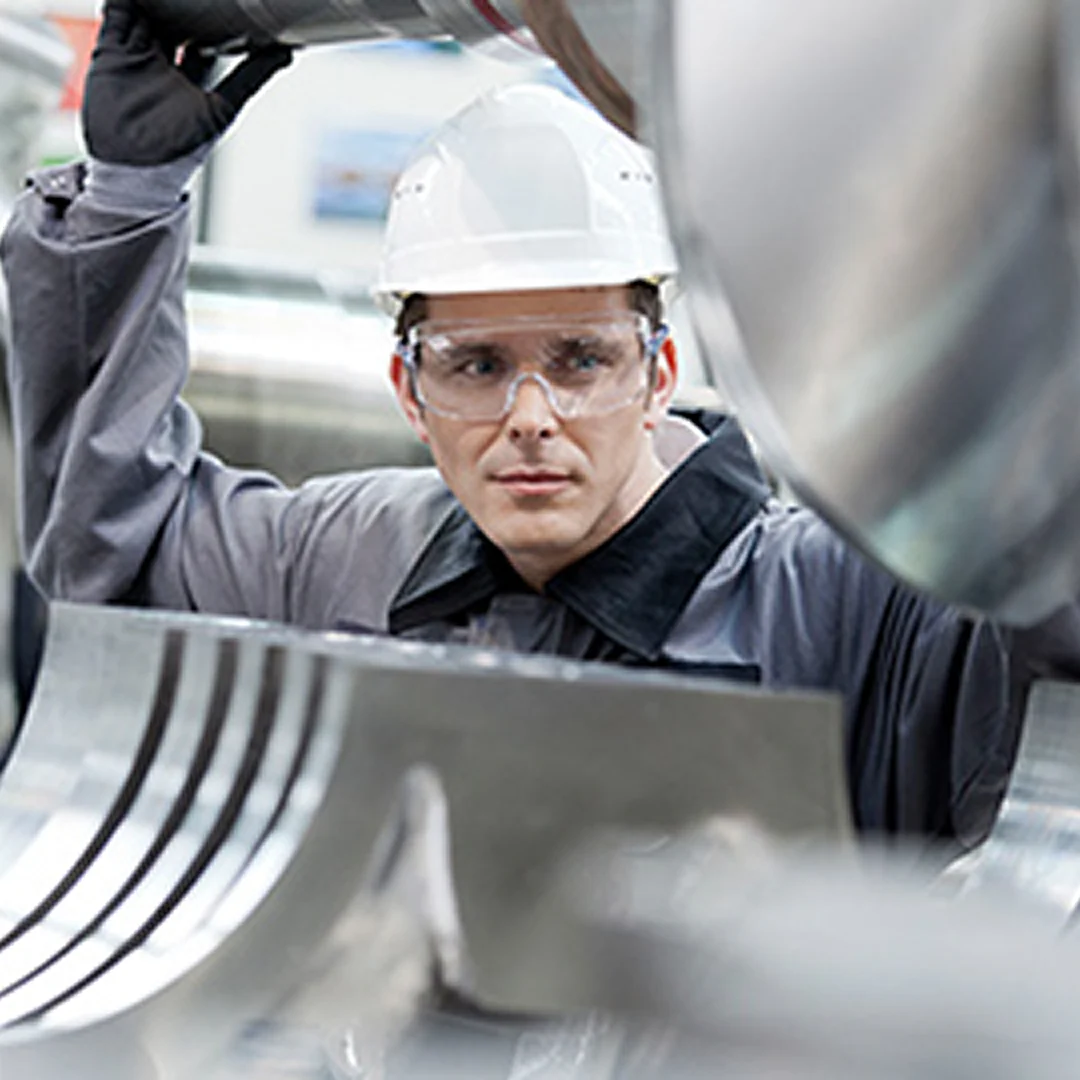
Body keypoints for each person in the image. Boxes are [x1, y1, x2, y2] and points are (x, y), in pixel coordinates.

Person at [2, 0, 1078, 848]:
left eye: (580, 360)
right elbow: (116, 568)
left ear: (658, 372)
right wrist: (129, 199)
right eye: (474, 366)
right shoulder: (351, 561)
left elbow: (1048, 617)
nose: (530, 418)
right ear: (407, 389)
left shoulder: (845, 606)